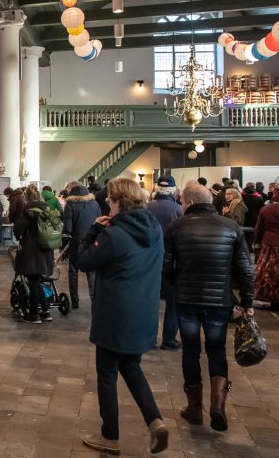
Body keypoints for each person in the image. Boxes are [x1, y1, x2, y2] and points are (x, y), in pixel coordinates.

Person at [75, 178, 168, 456]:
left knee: (106, 373)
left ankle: (110, 435)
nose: (108, 204)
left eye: (111, 201)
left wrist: (93, 231)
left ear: (120, 203)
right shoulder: (154, 229)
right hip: (144, 310)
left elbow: (83, 261)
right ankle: (155, 421)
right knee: (131, 366)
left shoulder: (114, 235)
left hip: (116, 313)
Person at [164, 183, 255, 432]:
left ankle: (194, 407)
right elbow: (246, 269)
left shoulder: (176, 227)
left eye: (182, 202)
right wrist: (247, 302)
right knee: (216, 350)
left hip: (187, 299)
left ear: (190, 203)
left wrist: (176, 285)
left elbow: (167, 265)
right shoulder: (231, 227)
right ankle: (218, 404)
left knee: (190, 350)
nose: (181, 206)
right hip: (219, 300)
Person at [147, 176, 183, 351]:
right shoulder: (177, 209)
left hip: (149, 260)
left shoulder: (146, 207)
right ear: (174, 190)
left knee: (150, 300)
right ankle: (169, 339)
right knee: (172, 302)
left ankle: (150, 338)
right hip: (172, 260)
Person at [14, 184, 56, 324]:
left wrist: (20, 236)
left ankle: (34, 314)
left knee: (32, 280)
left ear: (27, 198)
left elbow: (18, 228)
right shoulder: (47, 208)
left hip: (32, 250)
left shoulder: (28, 211)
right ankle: (45, 311)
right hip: (46, 249)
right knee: (36, 280)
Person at [62, 181, 100, 309]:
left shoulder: (70, 204)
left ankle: (75, 300)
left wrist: (64, 242)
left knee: (73, 271)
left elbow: (67, 228)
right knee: (92, 272)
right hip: (92, 242)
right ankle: (94, 300)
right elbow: (99, 221)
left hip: (76, 242)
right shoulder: (95, 204)